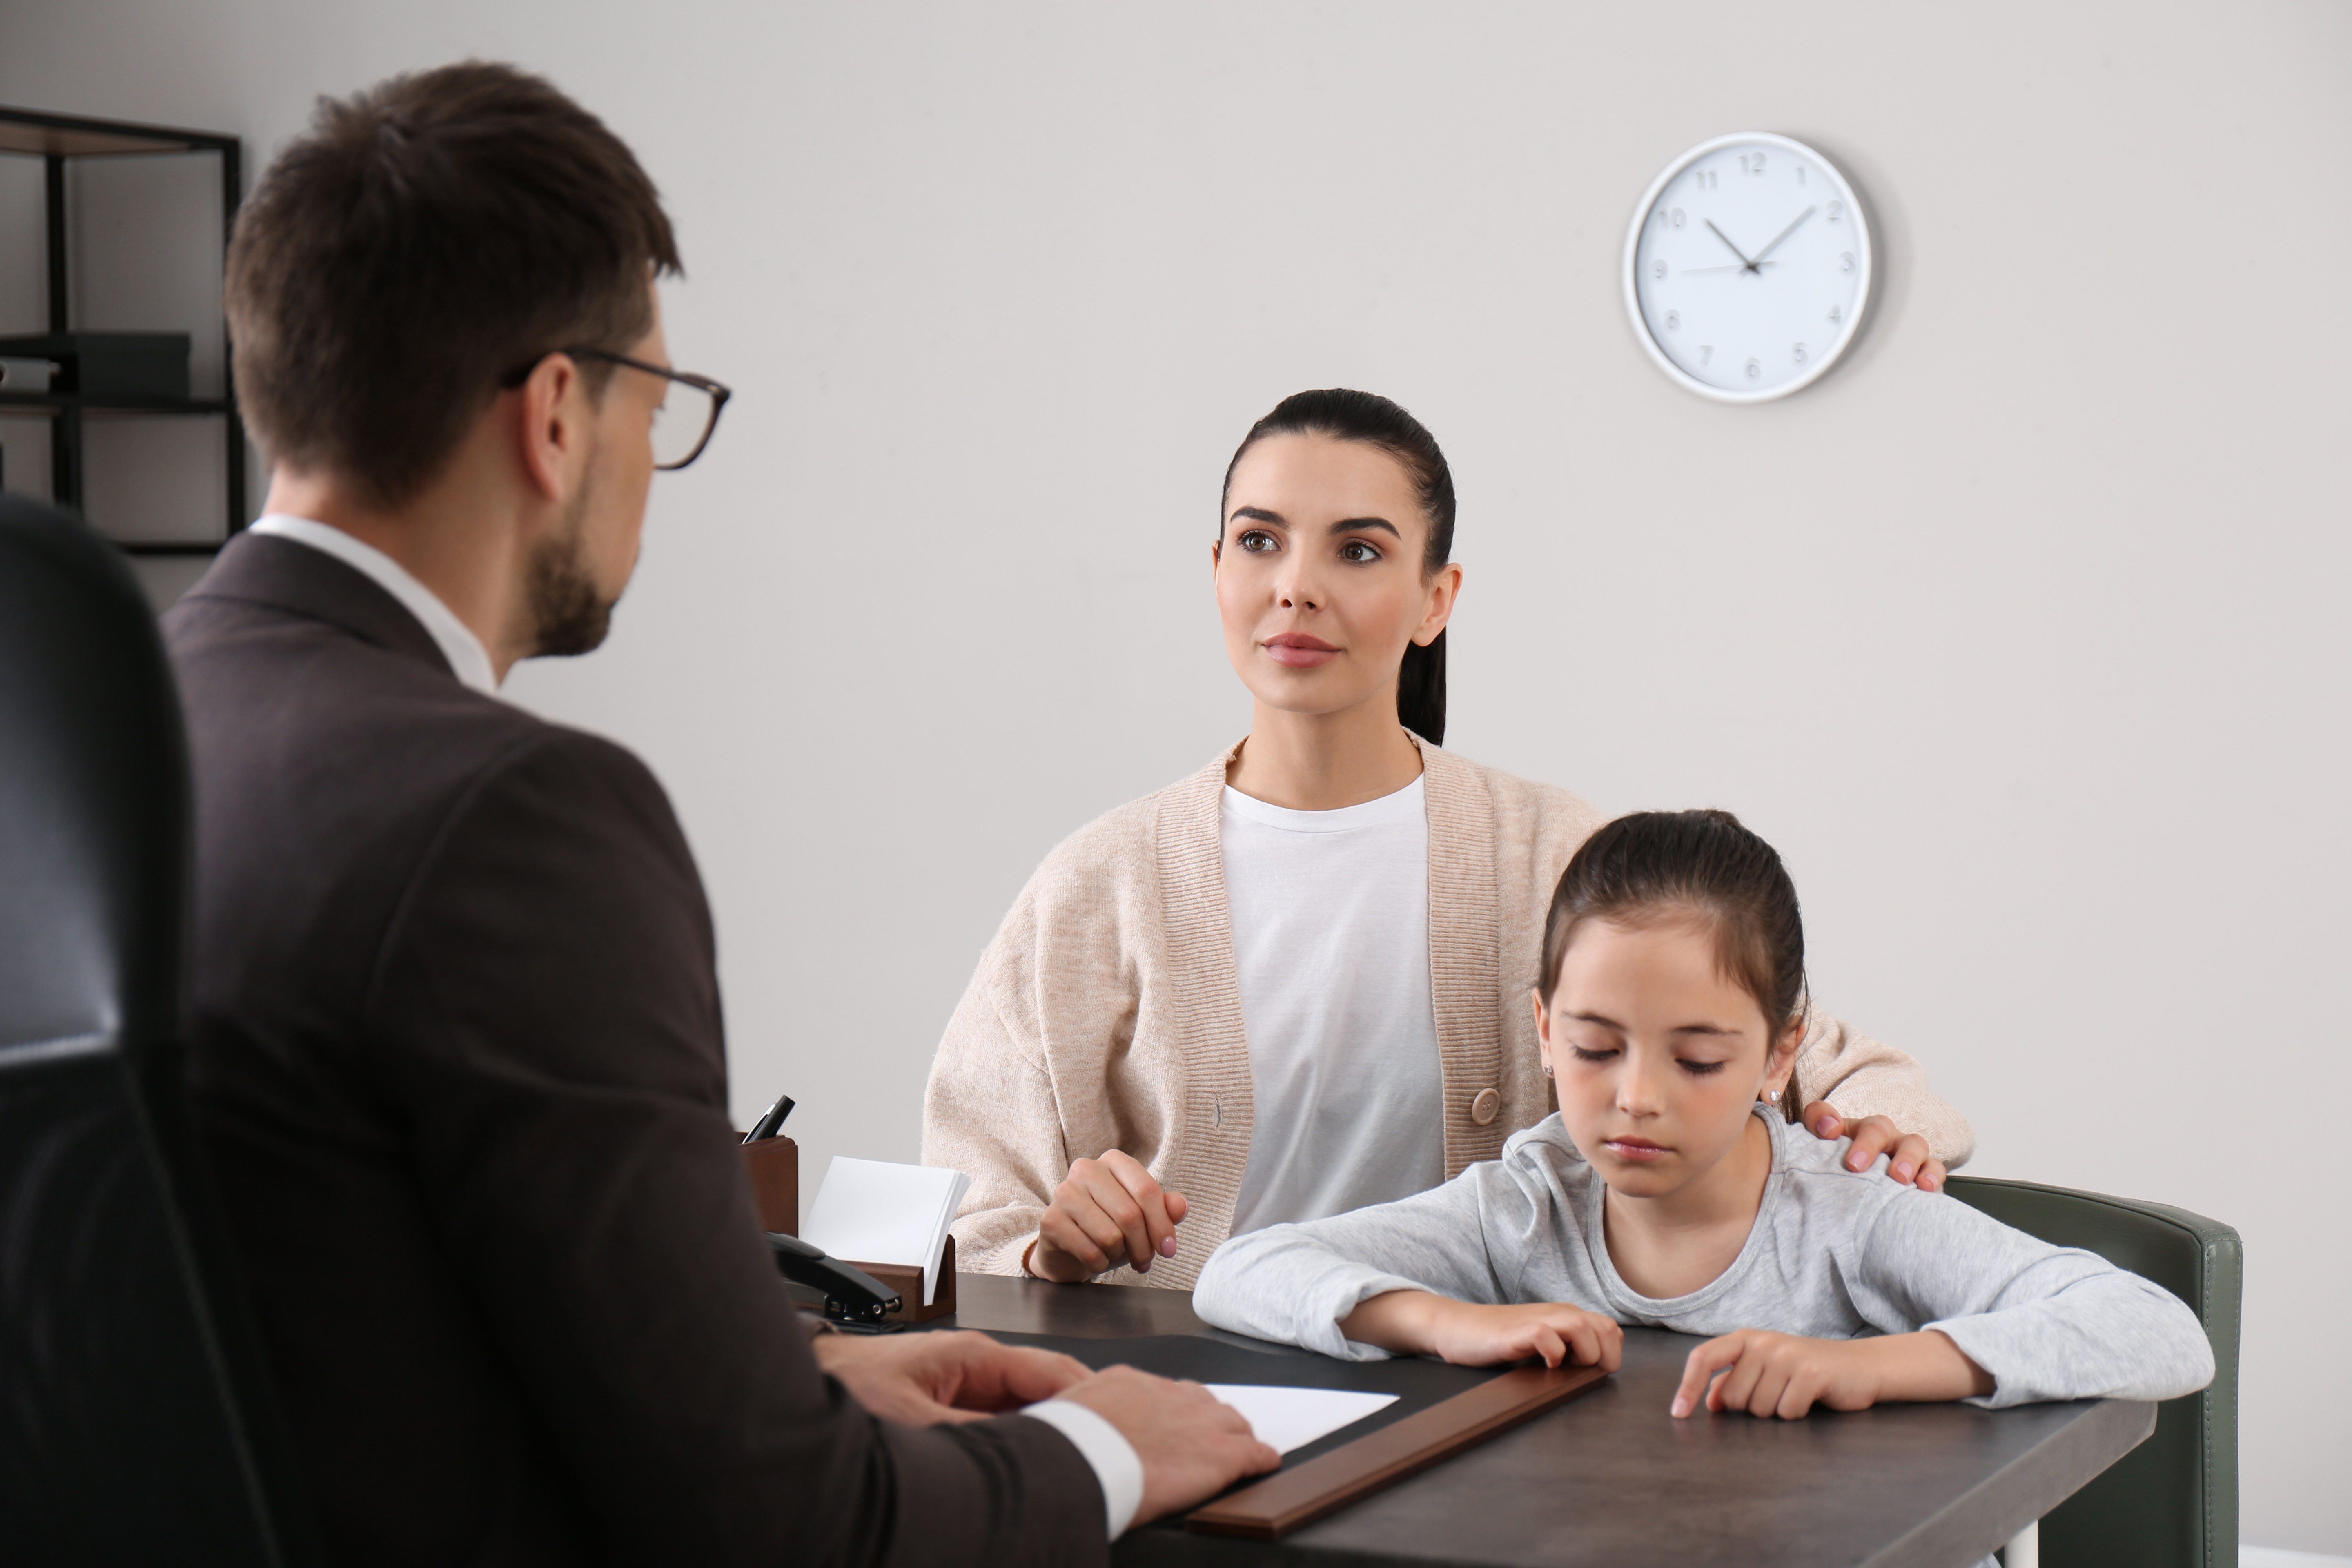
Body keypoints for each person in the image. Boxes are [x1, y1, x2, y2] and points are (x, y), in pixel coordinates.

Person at [164, 62, 1273, 1566]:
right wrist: (1097, 1452)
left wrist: (796, 1373)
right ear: (559, 413)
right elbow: (777, 1524)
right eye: (659, 403)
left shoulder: (106, 738)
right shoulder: (511, 819)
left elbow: (323, 1308)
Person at [924, 390, 1974, 1289]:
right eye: (1260, 540)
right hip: (1189, 1393)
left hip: (1487, 1389)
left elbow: (1813, 1059)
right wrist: (1046, 1256)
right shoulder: (1099, 884)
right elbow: (965, 1216)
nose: (1297, 585)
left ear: (1438, 598)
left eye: (1359, 550)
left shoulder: (1554, 856)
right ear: (1216, 572)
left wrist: (1885, 1127)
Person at [1191, 808, 2212, 1468]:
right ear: (1546, 1030)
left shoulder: (1844, 1218)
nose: (1636, 1098)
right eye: (1596, 1047)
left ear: (1780, 1057)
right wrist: (1444, 1322)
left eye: (1698, 1061)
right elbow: (1241, 1272)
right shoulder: (1526, 1203)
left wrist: (1871, 1366)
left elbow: (2160, 1331)